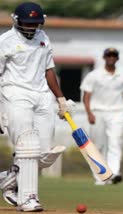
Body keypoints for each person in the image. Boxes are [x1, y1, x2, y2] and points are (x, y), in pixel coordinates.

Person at [0, 2, 75, 211]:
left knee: (44, 154)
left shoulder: (43, 38)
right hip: (15, 94)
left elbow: (49, 69)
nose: (31, 27)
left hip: (42, 96)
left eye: (35, 23)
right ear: (17, 20)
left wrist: (61, 99)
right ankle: (28, 199)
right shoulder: (5, 41)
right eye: (27, 23)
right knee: (27, 147)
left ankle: (7, 181)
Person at [80, 47, 123, 185]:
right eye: (109, 55)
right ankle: (100, 177)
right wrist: (89, 113)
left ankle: (113, 174)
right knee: (98, 145)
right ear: (104, 57)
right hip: (98, 112)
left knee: (115, 143)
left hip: (117, 113)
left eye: (114, 55)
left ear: (117, 58)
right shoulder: (94, 75)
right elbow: (86, 96)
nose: (111, 57)